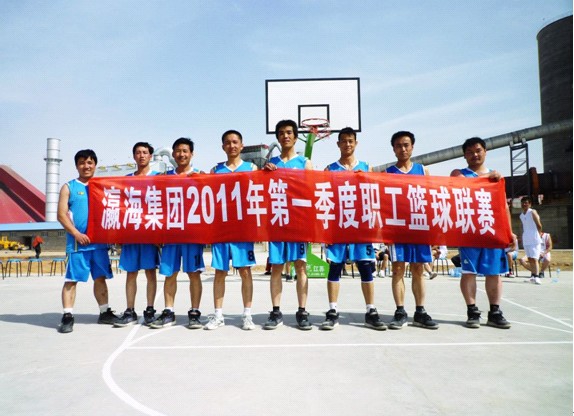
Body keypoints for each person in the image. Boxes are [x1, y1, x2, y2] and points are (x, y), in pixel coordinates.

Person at [320, 127, 386, 330]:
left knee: (366, 268)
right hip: (339, 226)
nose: (347, 144)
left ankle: (371, 310)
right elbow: (324, 200)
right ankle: (332, 311)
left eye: (351, 141)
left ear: (356, 143)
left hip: (361, 227)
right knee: (335, 267)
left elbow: (375, 198)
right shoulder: (329, 169)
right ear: (338, 144)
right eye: (343, 141)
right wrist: (325, 232)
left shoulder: (366, 168)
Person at [450, 137, 513, 329]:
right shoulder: (460, 174)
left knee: (494, 272)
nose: (474, 155)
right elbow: (459, 182)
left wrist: (509, 232)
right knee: (469, 272)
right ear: (464, 155)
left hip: (491, 230)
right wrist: (487, 178)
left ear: (485, 152)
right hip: (469, 230)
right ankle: (472, 311)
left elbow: (503, 207)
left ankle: (495, 312)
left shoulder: (496, 178)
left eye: (478, 150)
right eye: (469, 152)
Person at [56, 149, 119, 333]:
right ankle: (67, 316)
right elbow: (61, 215)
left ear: (95, 165)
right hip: (78, 244)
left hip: (99, 244)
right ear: (77, 166)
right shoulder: (69, 187)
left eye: (90, 162)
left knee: (100, 278)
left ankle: (104, 312)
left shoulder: (103, 186)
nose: (86, 166)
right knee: (71, 280)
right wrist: (76, 234)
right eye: (82, 162)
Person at [262, 119, 313, 330]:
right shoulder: (270, 164)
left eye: (289, 132)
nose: (286, 136)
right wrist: (265, 174)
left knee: (300, 266)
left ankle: (302, 311)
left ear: (295, 136)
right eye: (282, 133)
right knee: (276, 267)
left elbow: (312, 192)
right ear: (277, 137)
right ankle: (276, 312)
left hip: (298, 223)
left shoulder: (305, 163)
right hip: (277, 222)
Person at [150, 138, 205, 329]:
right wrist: (157, 233)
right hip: (171, 234)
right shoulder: (164, 177)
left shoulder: (201, 176)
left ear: (192, 154)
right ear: (172, 154)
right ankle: (169, 311)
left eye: (185, 151)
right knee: (170, 274)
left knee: (194, 274)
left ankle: (194, 312)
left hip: (192, 235)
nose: (181, 154)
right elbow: (156, 204)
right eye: (178, 151)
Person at [385, 131, 438, 330]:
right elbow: (384, 204)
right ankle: (400, 311)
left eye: (406, 145)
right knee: (398, 269)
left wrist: (433, 231)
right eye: (398, 145)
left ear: (412, 147)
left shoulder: (423, 170)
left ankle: (420, 311)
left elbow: (431, 200)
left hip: (419, 226)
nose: (403, 149)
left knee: (418, 269)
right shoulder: (388, 173)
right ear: (393, 149)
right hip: (397, 228)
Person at [205, 130, 257, 331]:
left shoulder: (251, 168)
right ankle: (218, 315)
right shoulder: (215, 170)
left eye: (235, 142)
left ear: (241, 145)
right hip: (222, 230)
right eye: (228, 142)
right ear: (223, 147)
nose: (232, 146)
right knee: (220, 272)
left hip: (243, 230)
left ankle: (247, 315)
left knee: (245, 271)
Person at [114, 142, 160, 327]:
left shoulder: (159, 178)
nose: (141, 155)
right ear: (134, 156)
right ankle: (130, 310)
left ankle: (150, 309)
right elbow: (119, 207)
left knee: (150, 272)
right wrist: (118, 235)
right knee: (131, 273)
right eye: (138, 152)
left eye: (145, 152)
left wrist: (161, 235)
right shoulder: (126, 180)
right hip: (131, 233)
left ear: (150, 156)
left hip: (150, 233)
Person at [519, 196, 543, 284]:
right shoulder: (521, 215)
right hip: (526, 239)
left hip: (534, 239)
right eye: (523, 203)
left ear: (529, 204)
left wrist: (538, 235)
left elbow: (539, 225)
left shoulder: (532, 212)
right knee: (530, 258)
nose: (524, 204)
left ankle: (537, 277)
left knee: (535, 258)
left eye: (526, 203)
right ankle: (533, 276)